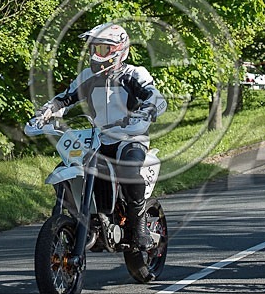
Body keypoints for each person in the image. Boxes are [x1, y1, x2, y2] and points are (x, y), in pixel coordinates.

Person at [28, 23, 167, 266]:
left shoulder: (135, 74)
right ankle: (71, 222)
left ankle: (140, 226)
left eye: (103, 49)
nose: (96, 55)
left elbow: (154, 96)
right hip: (97, 138)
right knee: (67, 166)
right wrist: (45, 114)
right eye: (94, 48)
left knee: (128, 171)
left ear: (120, 50)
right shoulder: (87, 77)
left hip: (129, 139)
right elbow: (65, 98)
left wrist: (147, 110)